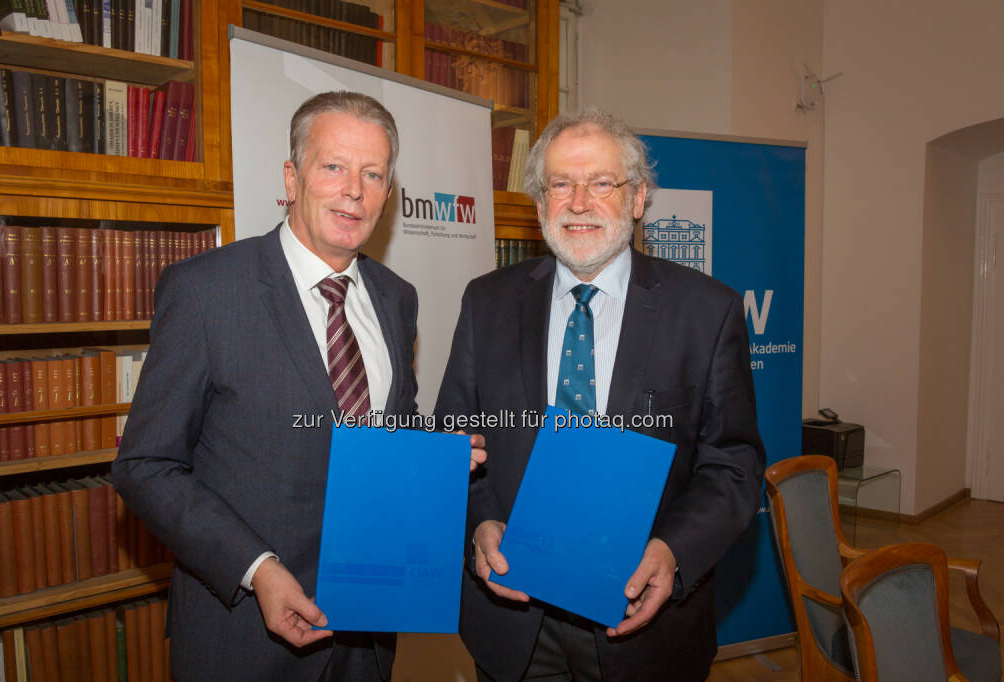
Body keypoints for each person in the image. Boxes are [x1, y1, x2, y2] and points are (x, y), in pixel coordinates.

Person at [113, 91, 485, 682]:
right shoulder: (207, 291)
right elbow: (146, 464)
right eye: (333, 166)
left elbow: (384, 434)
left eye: (373, 174)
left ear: (389, 192)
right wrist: (255, 568)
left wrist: (433, 458)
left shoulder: (396, 299)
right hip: (242, 638)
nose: (353, 190)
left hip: (368, 635)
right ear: (292, 176)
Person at [435, 107, 765, 682]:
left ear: (638, 199)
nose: (579, 202)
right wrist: (479, 526)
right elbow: (455, 441)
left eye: (601, 183)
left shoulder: (707, 311)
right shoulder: (486, 301)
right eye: (560, 184)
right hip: (515, 623)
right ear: (540, 204)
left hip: (646, 624)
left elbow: (733, 464)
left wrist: (672, 552)